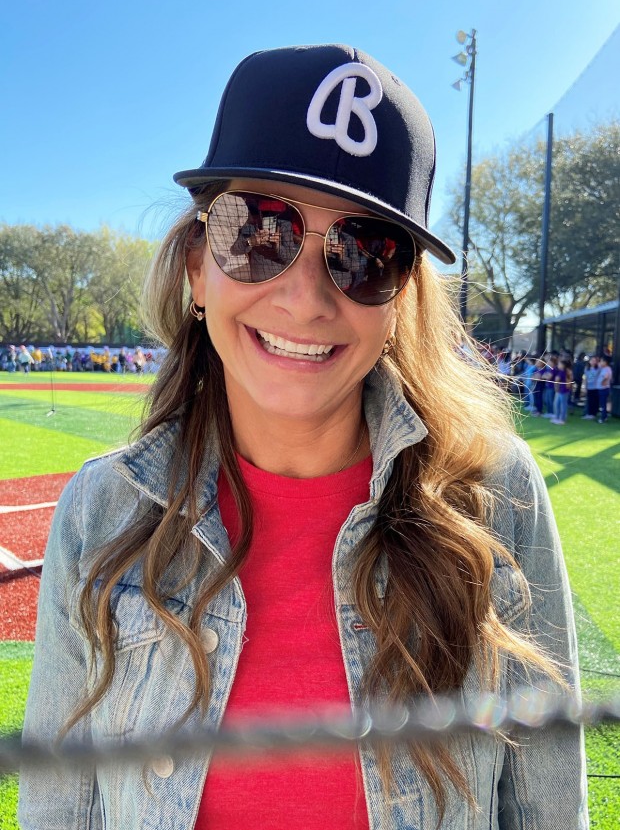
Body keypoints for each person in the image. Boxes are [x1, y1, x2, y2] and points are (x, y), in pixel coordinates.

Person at [19, 44, 587, 829]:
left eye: (364, 253)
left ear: (400, 303)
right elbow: (60, 810)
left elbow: (549, 812)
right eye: (258, 232)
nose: (307, 297)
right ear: (195, 265)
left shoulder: (498, 499)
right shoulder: (99, 512)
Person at [596, 355, 612, 423]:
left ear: (606, 362)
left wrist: (603, 382)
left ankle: (603, 418)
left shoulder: (607, 369)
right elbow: (598, 366)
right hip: (602, 388)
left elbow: (606, 377)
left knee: (603, 404)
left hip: (604, 389)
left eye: (602, 361)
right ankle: (604, 416)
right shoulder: (603, 368)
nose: (600, 362)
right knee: (603, 404)